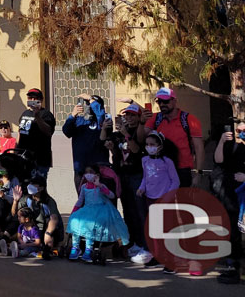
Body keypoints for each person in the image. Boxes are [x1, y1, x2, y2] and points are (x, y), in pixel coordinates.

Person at [103, 101, 149, 259]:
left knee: (140, 211)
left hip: (137, 175)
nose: (128, 117)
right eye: (126, 115)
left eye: (131, 115)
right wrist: (109, 142)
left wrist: (126, 134)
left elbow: (136, 149)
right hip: (121, 176)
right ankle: (134, 242)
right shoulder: (119, 133)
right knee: (128, 211)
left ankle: (146, 245)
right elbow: (104, 140)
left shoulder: (140, 131)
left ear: (138, 117)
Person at [132, 131, 180, 267]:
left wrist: (168, 196)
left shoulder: (167, 162)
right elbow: (145, 178)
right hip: (150, 198)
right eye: (147, 145)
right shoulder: (145, 160)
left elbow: (175, 181)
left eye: (152, 144)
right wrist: (142, 188)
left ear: (160, 146)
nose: (149, 147)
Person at [139, 87, 204, 188]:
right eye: (159, 101)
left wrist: (199, 173)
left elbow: (199, 148)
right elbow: (141, 139)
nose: (162, 105)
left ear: (174, 101)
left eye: (165, 101)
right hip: (160, 169)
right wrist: (142, 122)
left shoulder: (188, 119)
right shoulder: (155, 118)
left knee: (182, 201)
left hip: (182, 169)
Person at [67, 163, 130, 263]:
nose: (88, 174)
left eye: (91, 172)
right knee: (75, 221)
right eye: (86, 172)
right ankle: (75, 247)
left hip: (100, 210)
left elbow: (112, 196)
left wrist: (100, 185)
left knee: (91, 224)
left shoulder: (100, 186)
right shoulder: (84, 187)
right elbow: (80, 201)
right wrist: (73, 213)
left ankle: (89, 249)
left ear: (97, 175)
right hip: (87, 209)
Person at [213, 117, 245, 283]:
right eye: (238, 131)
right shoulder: (232, 146)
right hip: (232, 194)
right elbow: (218, 160)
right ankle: (233, 267)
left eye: (242, 131)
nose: (240, 134)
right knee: (233, 230)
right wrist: (221, 141)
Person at [62, 94, 112, 193]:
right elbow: (66, 131)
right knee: (83, 200)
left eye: (91, 104)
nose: (89, 106)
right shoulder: (79, 120)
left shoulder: (104, 119)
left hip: (99, 167)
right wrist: (72, 115)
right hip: (81, 167)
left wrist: (90, 98)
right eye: (87, 104)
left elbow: (100, 116)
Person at [11, 175, 63, 258]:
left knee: (48, 243)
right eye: (30, 183)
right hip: (32, 230)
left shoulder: (49, 202)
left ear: (41, 188)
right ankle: (9, 246)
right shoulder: (27, 199)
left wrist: (48, 233)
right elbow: (15, 214)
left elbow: (54, 219)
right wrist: (15, 201)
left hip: (45, 229)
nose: (30, 186)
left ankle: (48, 250)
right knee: (16, 229)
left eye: (34, 184)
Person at [18, 88, 57, 179]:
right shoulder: (25, 113)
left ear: (41, 100)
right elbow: (20, 132)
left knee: (37, 187)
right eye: (30, 98)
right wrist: (17, 150)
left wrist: (37, 116)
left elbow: (48, 131)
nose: (32, 101)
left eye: (35, 98)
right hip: (24, 156)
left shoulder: (46, 114)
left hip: (40, 158)